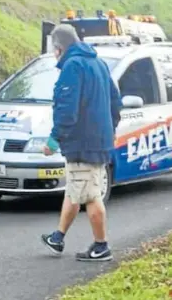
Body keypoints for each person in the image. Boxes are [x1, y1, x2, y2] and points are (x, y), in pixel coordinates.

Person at [40, 24, 123, 262]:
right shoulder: (98, 64)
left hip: (82, 144)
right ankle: (58, 237)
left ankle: (101, 246)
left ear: (58, 48)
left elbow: (66, 110)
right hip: (97, 140)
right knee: (76, 188)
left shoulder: (72, 66)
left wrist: (53, 141)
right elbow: (115, 104)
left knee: (91, 196)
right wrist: (108, 130)